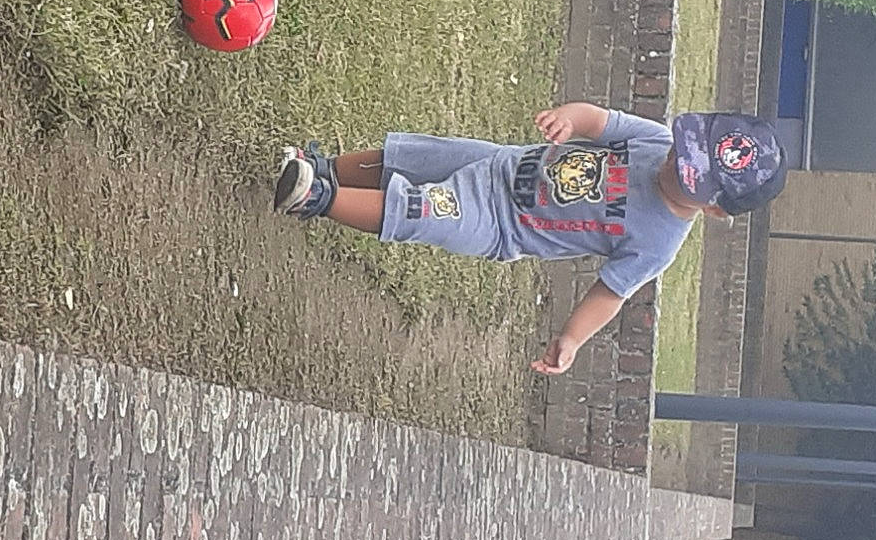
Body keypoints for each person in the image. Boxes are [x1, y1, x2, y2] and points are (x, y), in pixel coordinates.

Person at [273, 104, 787, 376]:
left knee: (423, 211)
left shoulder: (660, 243)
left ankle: (315, 196)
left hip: (500, 223)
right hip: (502, 163)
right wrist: (571, 118)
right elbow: (600, 121)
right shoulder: (655, 140)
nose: (675, 164)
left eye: (690, 176)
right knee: (410, 157)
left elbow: (610, 292)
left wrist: (572, 338)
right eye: (685, 150)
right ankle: (323, 167)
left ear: (714, 209)